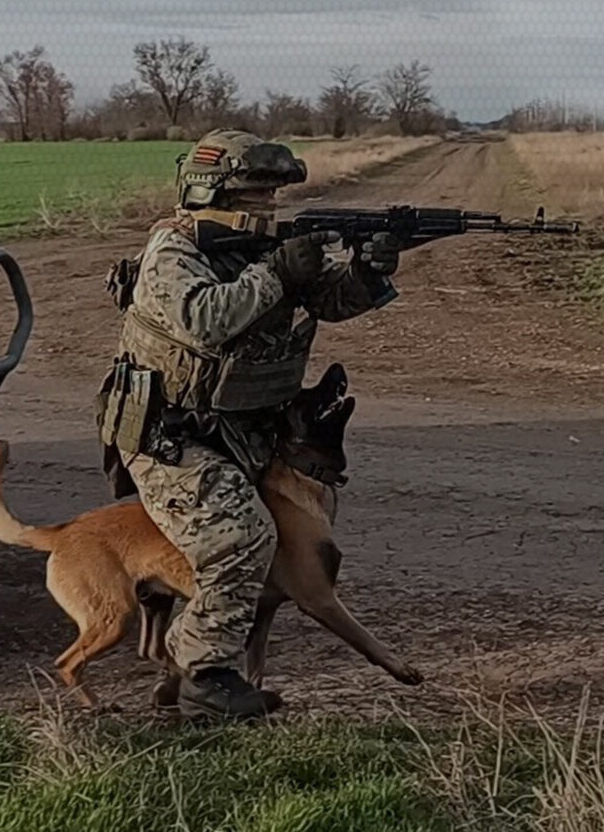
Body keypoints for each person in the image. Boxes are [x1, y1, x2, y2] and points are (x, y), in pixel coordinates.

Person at [96, 129, 401, 718]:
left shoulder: (263, 249)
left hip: (244, 431)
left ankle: (195, 671)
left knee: (279, 541)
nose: (266, 205)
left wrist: (367, 272)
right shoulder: (174, 251)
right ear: (212, 191)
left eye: (272, 194)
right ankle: (202, 673)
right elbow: (204, 320)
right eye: (253, 193)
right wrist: (280, 273)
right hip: (169, 437)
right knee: (241, 538)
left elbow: (331, 302)